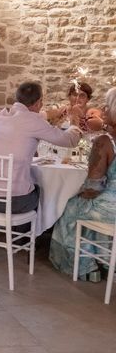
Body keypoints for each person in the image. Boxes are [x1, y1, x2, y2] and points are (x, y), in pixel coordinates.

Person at [0, 82, 82, 215]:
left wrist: (56, 112)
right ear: (38, 102)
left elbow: (33, 117)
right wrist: (74, 121)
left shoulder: (1, 116)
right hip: (13, 201)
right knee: (46, 193)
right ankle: (34, 234)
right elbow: (70, 140)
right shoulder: (34, 121)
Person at [50, 87, 116, 281]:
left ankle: (86, 267)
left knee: (70, 207)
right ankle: (106, 259)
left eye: (107, 106)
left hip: (110, 208)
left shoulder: (105, 142)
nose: (103, 109)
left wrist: (78, 193)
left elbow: (93, 186)